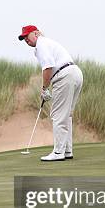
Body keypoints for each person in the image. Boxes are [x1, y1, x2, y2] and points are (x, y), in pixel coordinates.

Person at [18, 25, 83, 161]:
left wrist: (44, 88)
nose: (26, 40)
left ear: (36, 33)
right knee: (66, 114)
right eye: (23, 38)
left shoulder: (41, 44)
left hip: (64, 76)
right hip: (75, 73)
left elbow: (48, 66)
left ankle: (58, 152)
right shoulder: (48, 43)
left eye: (27, 36)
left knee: (58, 114)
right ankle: (66, 150)